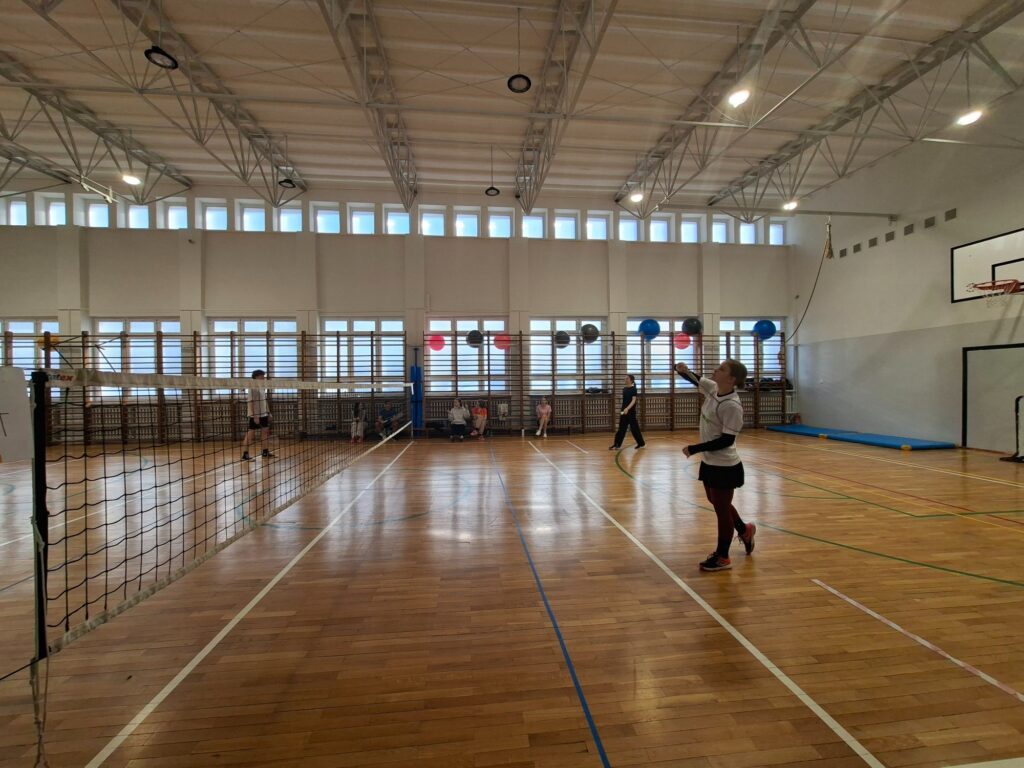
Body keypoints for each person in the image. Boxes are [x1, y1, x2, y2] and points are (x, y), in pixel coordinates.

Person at [675, 359, 756, 572]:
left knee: (721, 510)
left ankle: (723, 557)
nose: (715, 370)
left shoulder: (732, 406)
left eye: (721, 369)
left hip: (725, 465)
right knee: (716, 501)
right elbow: (695, 379)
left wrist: (695, 448)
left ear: (731, 379)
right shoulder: (713, 388)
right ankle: (744, 529)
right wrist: (682, 370)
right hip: (709, 461)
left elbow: (727, 440)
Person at [241, 369, 273, 461]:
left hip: (264, 414)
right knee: (251, 434)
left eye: (263, 376)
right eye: (262, 376)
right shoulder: (252, 387)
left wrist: (269, 413)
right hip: (255, 415)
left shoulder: (261, 387)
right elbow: (250, 402)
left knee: (265, 432)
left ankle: (265, 452)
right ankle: (245, 454)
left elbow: (264, 401)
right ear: (256, 377)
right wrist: (255, 416)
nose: (263, 378)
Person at [609, 373, 645, 450]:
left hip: (631, 413)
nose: (625, 379)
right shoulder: (624, 389)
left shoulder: (634, 389)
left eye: (627, 378)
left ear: (631, 380)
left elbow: (633, 401)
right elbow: (625, 401)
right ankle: (617, 444)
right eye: (625, 378)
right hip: (623, 412)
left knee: (635, 429)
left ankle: (641, 443)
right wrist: (622, 410)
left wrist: (627, 408)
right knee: (621, 429)